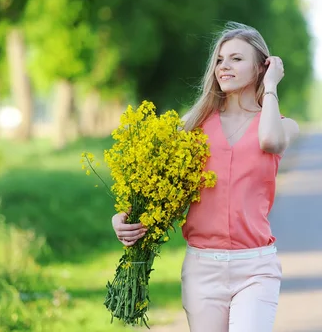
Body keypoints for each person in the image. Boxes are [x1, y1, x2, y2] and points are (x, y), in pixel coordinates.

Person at [111, 21, 300, 331]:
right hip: (202, 269)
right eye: (220, 60)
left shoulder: (282, 125)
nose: (224, 67)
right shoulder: (193, 125)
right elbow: (160, 188)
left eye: (236, 59)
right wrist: (124, 219)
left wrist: (270, 87)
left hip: (255, 268)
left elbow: (270, 142)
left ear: (262, 67)